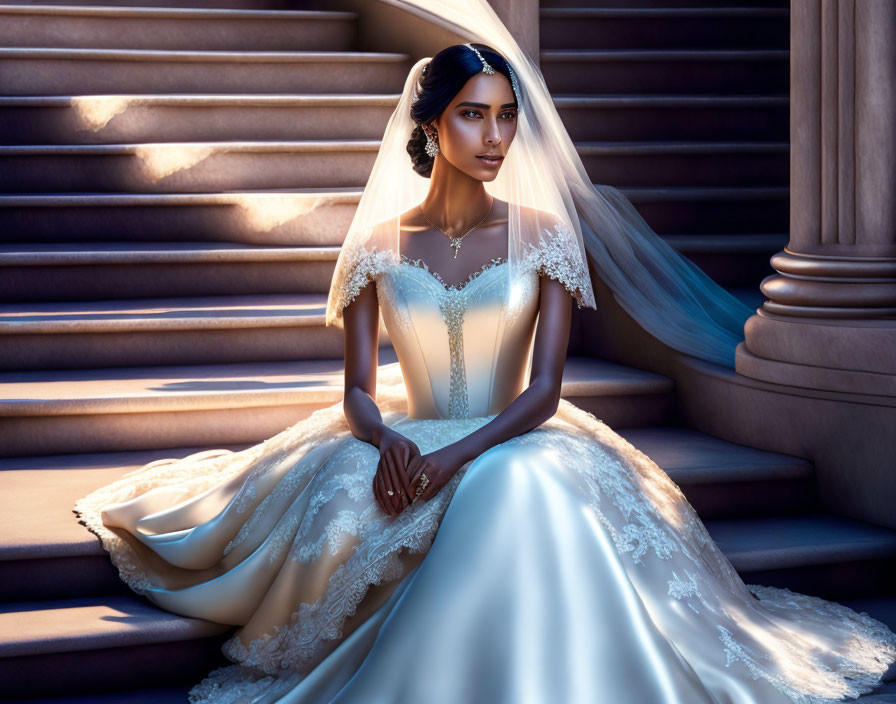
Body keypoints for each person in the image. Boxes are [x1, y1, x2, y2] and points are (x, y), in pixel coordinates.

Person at [74, 36, 896, 704]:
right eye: (473, 117)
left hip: (521, 430)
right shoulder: (375, 248)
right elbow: (358, 389)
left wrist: (450, 457)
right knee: (349, 504)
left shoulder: (543, 234)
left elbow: (544, 392)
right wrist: (388, 438)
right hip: (411, 429)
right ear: (430, 127)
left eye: (506, 118)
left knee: (519, 487)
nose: (495, 138)